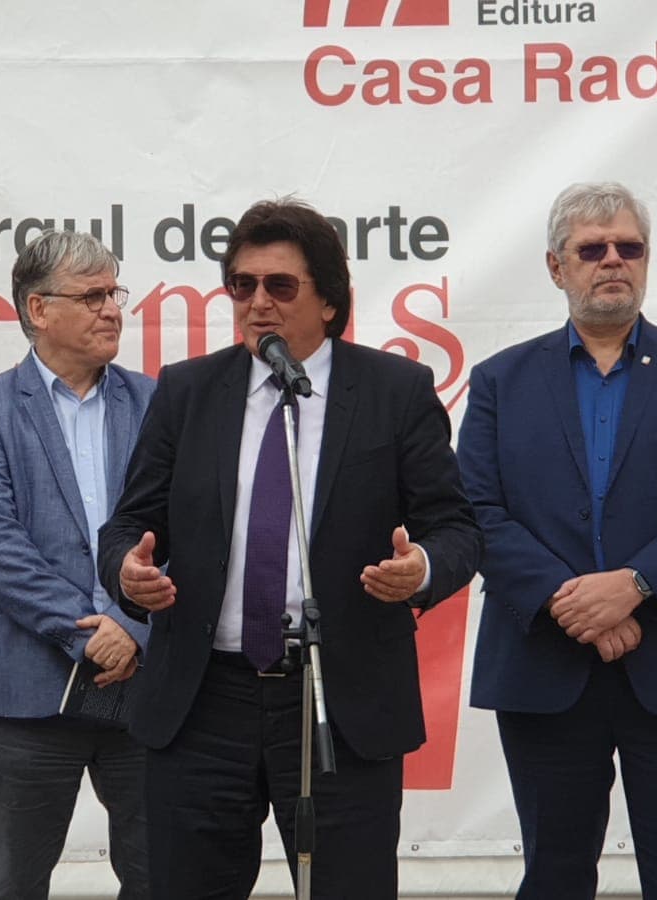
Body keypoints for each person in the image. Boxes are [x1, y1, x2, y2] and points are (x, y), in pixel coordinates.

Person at [97, 198, 481, 898]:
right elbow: (128, 525)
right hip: (203, 700)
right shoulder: (188, 391)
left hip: (337, 694)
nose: (257, 302)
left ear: (329, 301)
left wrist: (419, 569)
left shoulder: (395, 391)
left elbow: (456, 528)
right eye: (241, 285)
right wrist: (128, 570)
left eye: (280, 285)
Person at [458, 181, 657, 900]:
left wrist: (634, 587)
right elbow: (476, 509)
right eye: (592, 249)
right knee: (554, 877)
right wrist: (572, 603)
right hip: (545, 662)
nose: (613, 261)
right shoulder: (500, 380)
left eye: (630, 247)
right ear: (555, 266)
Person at [0, 229, 155, 899]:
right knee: (17, 882)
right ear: (39, 309)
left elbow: (185, 530)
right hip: (27, 688)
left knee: (164, 876)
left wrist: (133, 628)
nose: (111, 309)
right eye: (92, 296)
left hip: (144, 683)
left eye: (114, 293)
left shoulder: (155, 403)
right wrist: (90, 633)